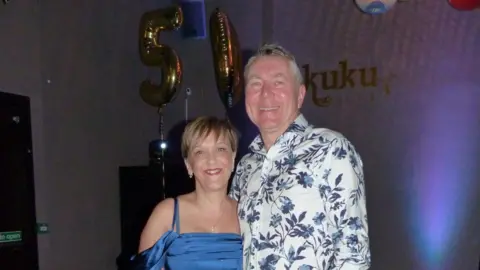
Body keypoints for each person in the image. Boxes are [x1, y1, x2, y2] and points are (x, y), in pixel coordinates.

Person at [229, 44, 371, 269]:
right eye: (256, 83)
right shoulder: (246, 165)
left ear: (300, 95)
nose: (266, 93)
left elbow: (353, 253)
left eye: (278, 82)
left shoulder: (331, 149)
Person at [131, 116, 242, 270]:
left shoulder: (247, 214)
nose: (211, 159)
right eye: (200, 152)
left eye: (220, 149)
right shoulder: (167, 213)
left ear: (233, 157)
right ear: (188, 164)